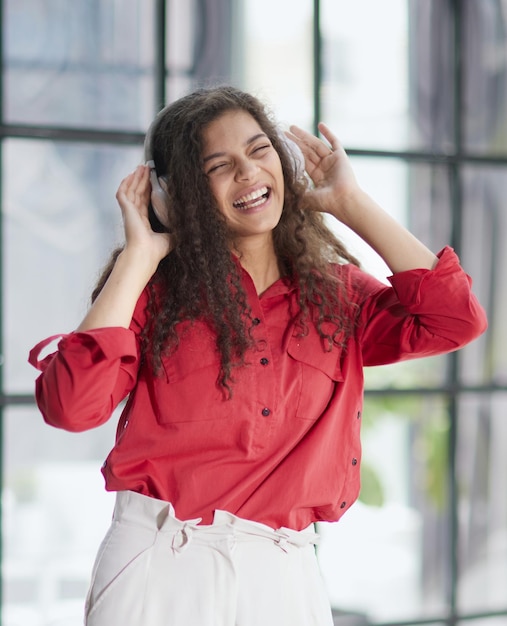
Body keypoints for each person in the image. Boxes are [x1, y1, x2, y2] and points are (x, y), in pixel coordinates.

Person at [29, 86, 487, 626]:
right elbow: (71, 407)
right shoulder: (151, 294)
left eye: (259, 150)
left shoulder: (337, 296)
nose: (248, 173)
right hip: (160, 562)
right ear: (181, 193)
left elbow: (455, 319)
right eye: (219, 165)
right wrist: (141, 255)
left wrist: (351, 204)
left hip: (283, 572)